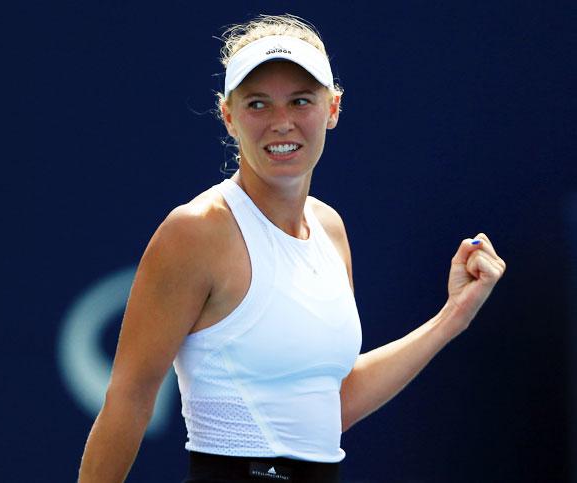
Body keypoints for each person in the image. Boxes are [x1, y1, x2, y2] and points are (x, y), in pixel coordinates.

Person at [77, 14, 506, 483]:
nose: (282, 123)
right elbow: (128, 401)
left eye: (301, 101)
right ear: (229, 116)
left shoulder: (329, 228)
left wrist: (452, 317)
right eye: (258, 104)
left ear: (333, 108)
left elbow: (328, 406)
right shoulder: (196, 231)